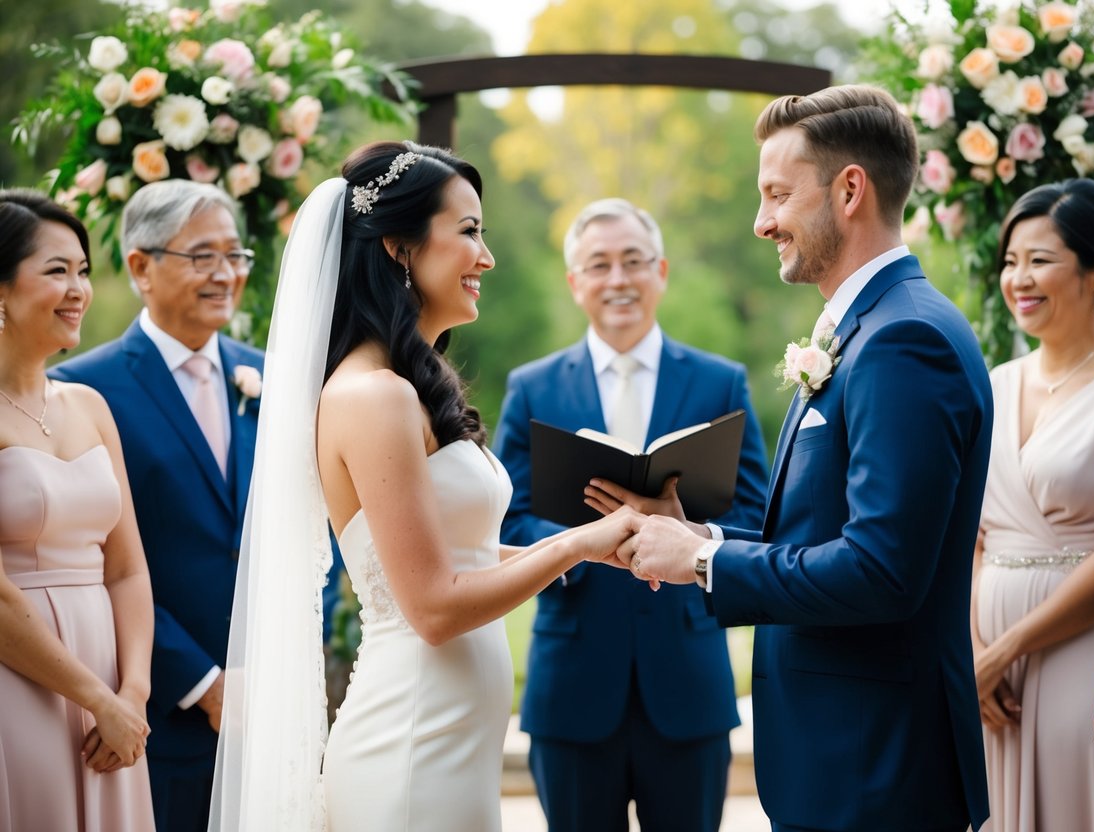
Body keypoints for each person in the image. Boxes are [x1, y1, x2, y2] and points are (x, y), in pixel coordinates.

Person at [595, 85, 993, 831]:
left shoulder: (905, 341)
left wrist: (706, 566)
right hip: (839, 760)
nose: (760, 222)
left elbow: (881, 572)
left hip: (876, 768)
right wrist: (703, 538)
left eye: (777, 194)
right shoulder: (869, 330)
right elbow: (825, 537)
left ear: (848, 190)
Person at [207, 141, 638, 831]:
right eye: (468, 232)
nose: (486, 258)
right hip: (411, 746)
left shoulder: (407, 387)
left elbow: (453, 559)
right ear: (400, 249)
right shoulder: (371, 397)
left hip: (449, 746)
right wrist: (575, 546)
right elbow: (433, 607)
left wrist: (589, 548)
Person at [493, 198, 769, 832]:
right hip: (572, 687)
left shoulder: (719, 381)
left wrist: (692, 536)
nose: (618, 280)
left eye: (633, 262)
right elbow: (507, 521)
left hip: (688, 686)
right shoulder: (533, 387)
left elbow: (756, 512)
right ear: (575, 283)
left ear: (662, 271)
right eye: (599, 265)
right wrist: (583, 545)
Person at [50, 180, 264, 832]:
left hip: (269, 705)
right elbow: (100, 559)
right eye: (203, 256)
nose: (226, 274)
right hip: (156, 710)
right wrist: (204, 684)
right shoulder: (81, 389)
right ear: (141, 266)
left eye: (235, 255)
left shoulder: (272, 376)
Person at [972, 179, 1094, 831]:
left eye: (1039, 260)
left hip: (1083, 655)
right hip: (987, 677)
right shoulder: (993, 383)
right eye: (1009, 261)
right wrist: (976, 653)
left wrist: (1004, 652)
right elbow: (970, 537)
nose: (1018, 278)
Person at [0, 189, 155, 829]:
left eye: (83, 270)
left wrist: (132, 695)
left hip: (115, 693)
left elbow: (127, 569)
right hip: (18, 682)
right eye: (56, 270)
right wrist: (94, 695)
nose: (78, 290)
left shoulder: (89, 405)